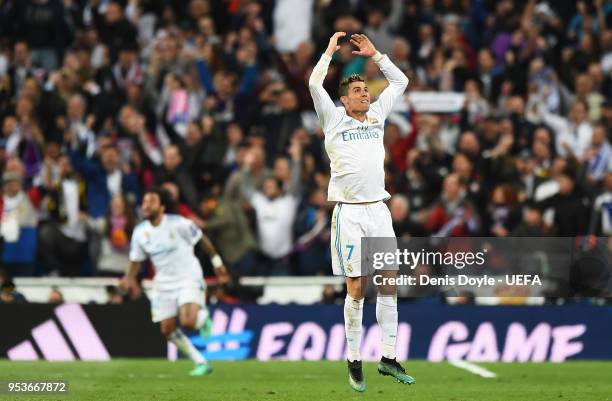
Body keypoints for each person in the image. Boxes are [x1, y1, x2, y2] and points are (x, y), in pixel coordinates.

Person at [308, 32, 414, 392]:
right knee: (357, 287)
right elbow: (312, 83)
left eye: (366, 89)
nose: (365, 93)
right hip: (350, 214)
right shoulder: (333, 119)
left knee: (390, 282)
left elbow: (401, 81)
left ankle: (387, 356)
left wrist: (376, 55)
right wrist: (327, 53)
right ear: (343, 99)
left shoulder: (377, 116)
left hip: (379, 211)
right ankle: (354, 359)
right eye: (357, 91)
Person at [121, 187, 229, 376]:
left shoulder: (179, 224)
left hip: (188, 277)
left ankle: (203, 318)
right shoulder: (140, 232)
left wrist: (217, 262)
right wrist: (128, 279)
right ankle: (201, 362)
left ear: (162, 207)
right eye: (144, 202)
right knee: (167, 329)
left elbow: (202, 239)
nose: (146, 206)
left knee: (188, 322)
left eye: (151, 201)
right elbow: (136, 260)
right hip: (163, 283)